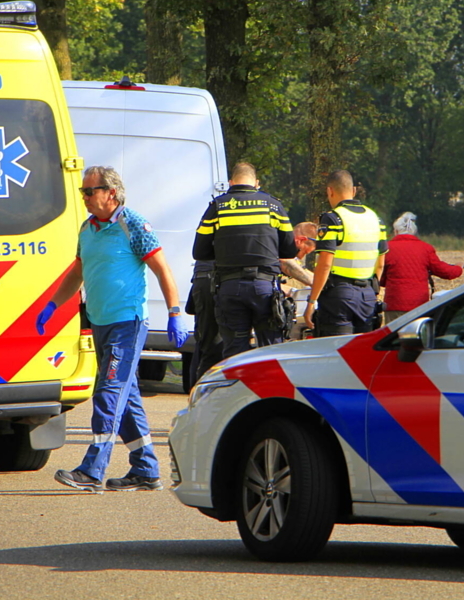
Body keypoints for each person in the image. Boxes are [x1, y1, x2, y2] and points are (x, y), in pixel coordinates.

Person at [35, 166, 187, 493]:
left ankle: (92, 470)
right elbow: (78, 271)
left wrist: (175, 313)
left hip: (127, 324)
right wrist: (52, 305)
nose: (85, 197)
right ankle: (146, 470)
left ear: (112, 193)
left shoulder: (133, 224)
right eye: (83, 192)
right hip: (100, 324)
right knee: (126, 398)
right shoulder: (87, 228)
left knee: (108, 394)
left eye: (90, 191)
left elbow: (162, 270)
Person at [192, 161, 298, 358]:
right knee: (270, 351)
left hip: (230, 287)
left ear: (231, 182)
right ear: (256, 183)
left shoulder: (218, 207)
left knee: (234, 351)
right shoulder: (273, 206)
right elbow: (290, 250)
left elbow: (199, 252)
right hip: (265, 288)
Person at [304, 170, 387, 336]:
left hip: (339, 296)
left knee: (337, 347)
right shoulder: (376, 219)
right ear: (354, 191)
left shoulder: (333, 219)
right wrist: (373, 293)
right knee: (360, 348)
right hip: (368, 295)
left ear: (330, 191)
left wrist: (312, 301)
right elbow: (380, 264)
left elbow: (325, 264)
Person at [380, 212, 463, 322]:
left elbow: (380, 276)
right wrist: (458, 268)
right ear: (414, 231)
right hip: (419, 305)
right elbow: (445, 272)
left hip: (394, 303)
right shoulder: (426, 248)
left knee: (394, 332)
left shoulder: (387, 248)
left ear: (396, 231)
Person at [185, 258, 222, 390]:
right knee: (213, 346)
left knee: (206, 345)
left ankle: (197, 394)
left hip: (205, 276)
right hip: (216, 276)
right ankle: (202, 394)